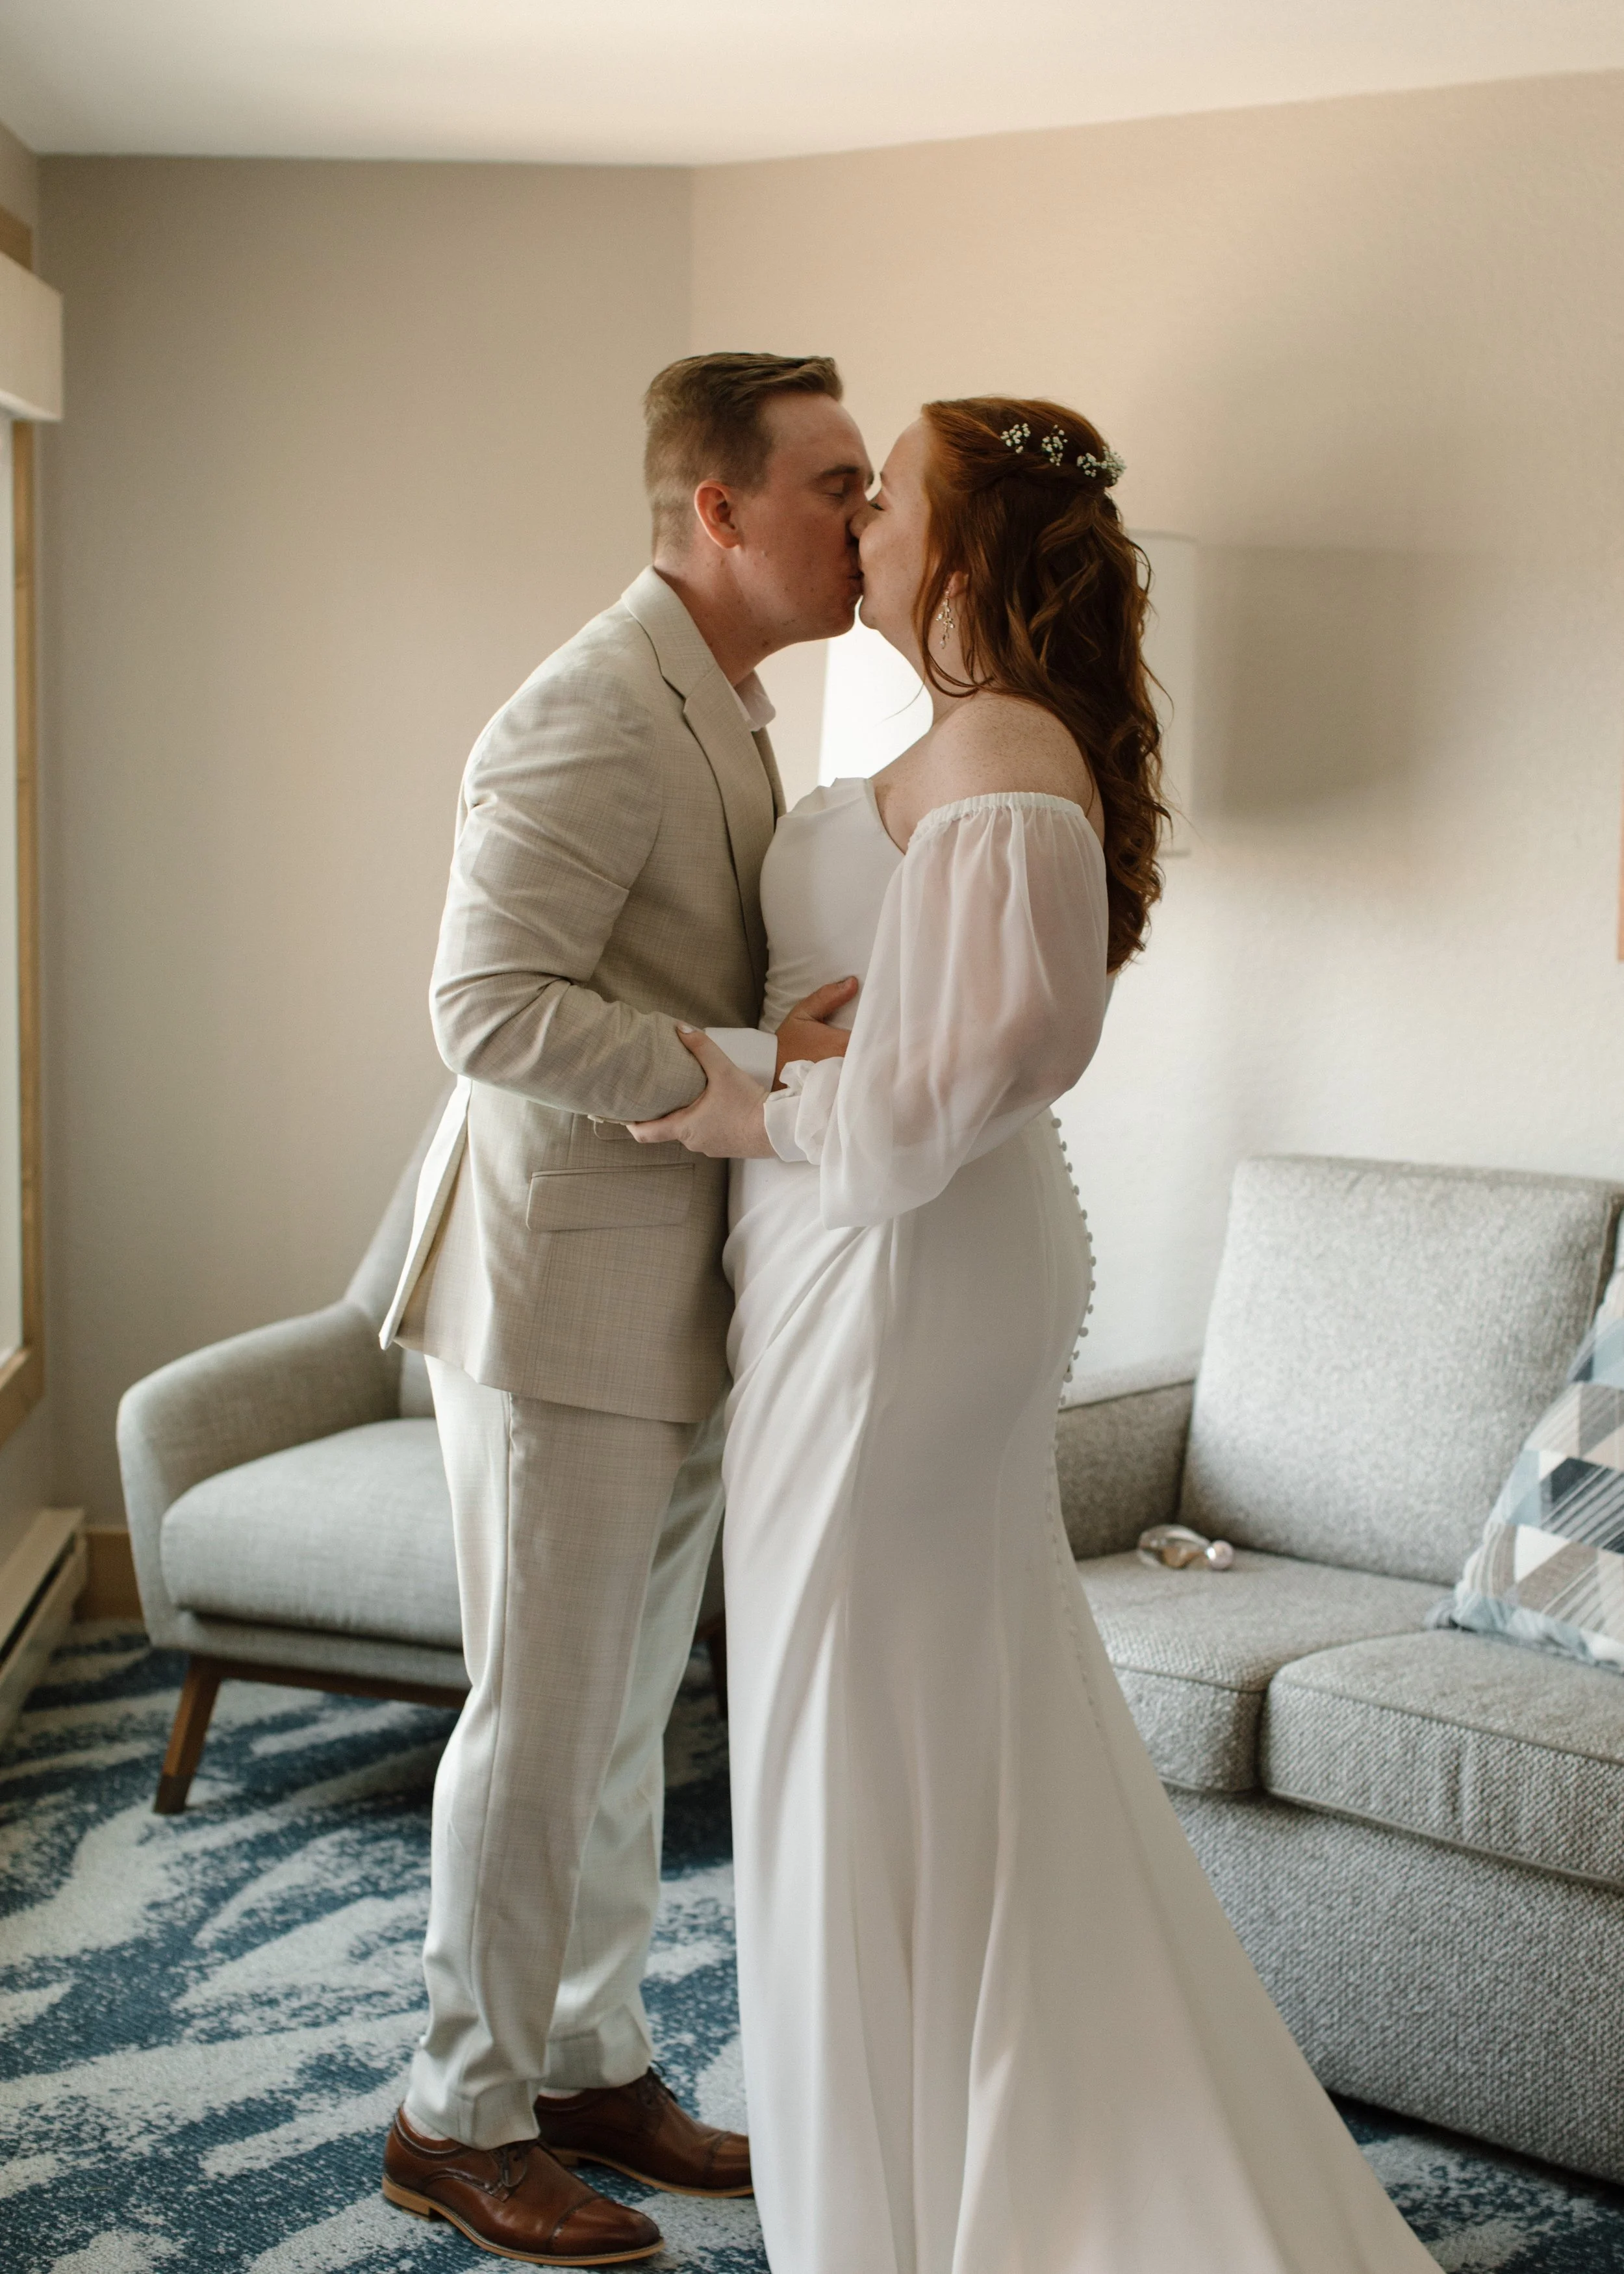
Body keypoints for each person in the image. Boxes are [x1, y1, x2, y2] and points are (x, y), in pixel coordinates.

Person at [630, 398, 1440, 2271]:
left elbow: (945, 1095)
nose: (867, 523)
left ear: (969, 547)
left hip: (899, 1278)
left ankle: (913, 2210)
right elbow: (928, 1036)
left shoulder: (1000, 744)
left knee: (850, 1725)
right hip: (877, 1267)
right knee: (915, 1728)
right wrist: (832, 1046)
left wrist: (735, 1094)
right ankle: (939, 2167)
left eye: (888, 495)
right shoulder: (961, 739)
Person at [377, 351, 874, 2266]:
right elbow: (482, 1008)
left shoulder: (732, 700)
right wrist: (764, 1057)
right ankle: (452, 2109)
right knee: (539, 1719)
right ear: (719, 512)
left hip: (666, 1286)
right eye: (835, 483)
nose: (867, 520)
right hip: (553, 1295)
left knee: (610, 1724)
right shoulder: (586, 706)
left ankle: (584, 2059)